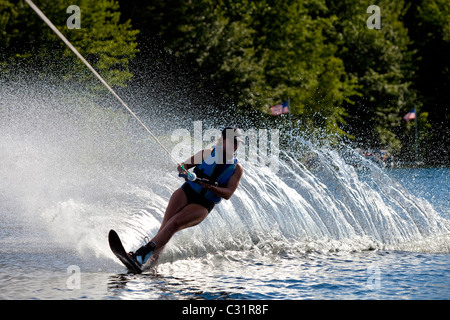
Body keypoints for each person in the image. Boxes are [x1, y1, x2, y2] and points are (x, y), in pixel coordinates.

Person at [128, 126, 244, 267]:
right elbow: (181, 167)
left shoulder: (236, 168)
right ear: (223, 141)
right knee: (165, 227)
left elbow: (228, 193)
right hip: (186, 191)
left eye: (237, 143)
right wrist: (185, 173)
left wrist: (212, 187)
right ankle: (151, 263)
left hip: (203, 204)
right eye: (232, 142)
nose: (235, 146)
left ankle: (139, 256)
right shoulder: (207, 154)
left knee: (174, 223)